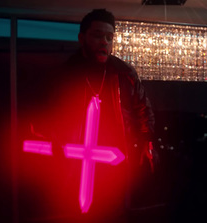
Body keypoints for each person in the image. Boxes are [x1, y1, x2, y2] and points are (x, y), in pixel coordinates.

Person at [23, 8, 156, 222]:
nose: (104, 42)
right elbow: (42, 116)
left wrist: (146, 141)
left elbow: (143, 110)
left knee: (113, 212)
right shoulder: (62, 76)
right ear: (81, 38)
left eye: (109, 37)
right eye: (97, 35)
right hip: (72, 163)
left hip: (115, 163)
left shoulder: (125, 74)